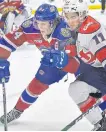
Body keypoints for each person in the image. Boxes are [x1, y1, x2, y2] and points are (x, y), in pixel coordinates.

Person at [0, 3, 80, 124]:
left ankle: (101, 110)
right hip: (52, 61)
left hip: (73, 60)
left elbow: (77, 56)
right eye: (37, 22)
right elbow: (5, 43)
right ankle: (17, 110)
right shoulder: (29, 27)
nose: (39, 26)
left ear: (53, 23)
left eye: (43, 23)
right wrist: (1, 61)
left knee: (89, 83)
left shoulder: (65, 30)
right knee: (37, 84)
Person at [62, 0, 106, 130]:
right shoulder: (78, 28)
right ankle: (100, 124)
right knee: (76, 89)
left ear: (82, 15)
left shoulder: (91, 31)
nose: (70, 21)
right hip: (98, 71)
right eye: (68, 16)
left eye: (73, 17)